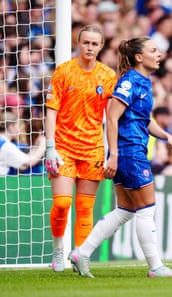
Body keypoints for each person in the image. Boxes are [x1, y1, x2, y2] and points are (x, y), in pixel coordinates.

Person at [68, 36, 172, 278]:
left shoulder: (143, 81)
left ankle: (82, 252)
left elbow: (144, 119)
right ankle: (156, 267)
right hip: (129, 153)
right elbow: (111, 116)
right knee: (146, 208)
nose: (159, 53)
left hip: (131, 152)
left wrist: (166, 136)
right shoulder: (129, 82)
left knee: (126, 210)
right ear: (139, 57)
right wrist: (114, 155)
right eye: (154, 50)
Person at [44, 24, 117, 272]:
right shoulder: (64, 72)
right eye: (86, 42)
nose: (90, 47)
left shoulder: (107, 76)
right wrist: (50, 146)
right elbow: (51, 111)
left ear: (101, 46)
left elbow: (111, 117)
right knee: (63, 203)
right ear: (78, 43)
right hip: (63, 146)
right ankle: (57, 248)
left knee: (85, 208)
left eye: (95, 44)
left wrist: (111, 151)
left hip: (92, 149)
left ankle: (80, 256)